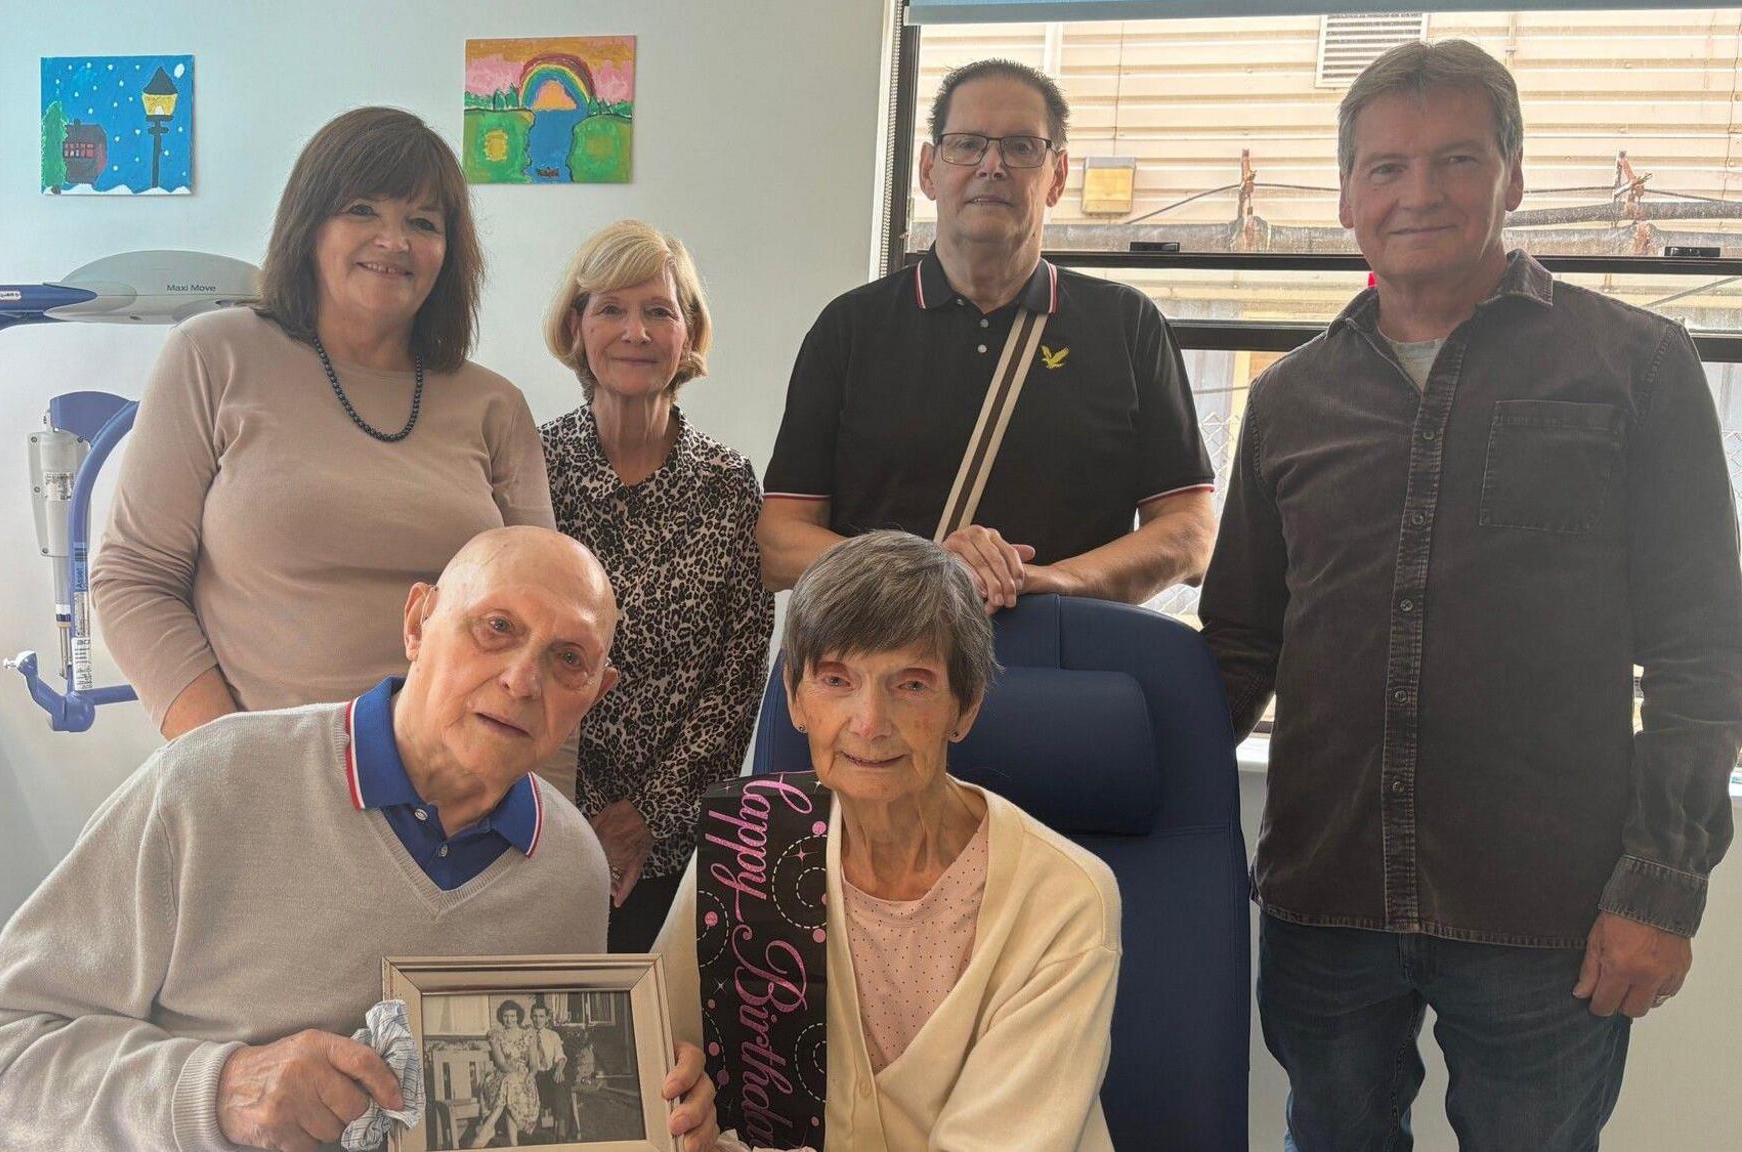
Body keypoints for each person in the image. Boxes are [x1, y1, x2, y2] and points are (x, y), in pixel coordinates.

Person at [1200, 40, 1742, 1151]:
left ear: (1513, 176)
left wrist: (1660, 885)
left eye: (1454, 159)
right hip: (1324, 897)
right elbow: (1236, 645)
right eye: (1384, 168)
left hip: (1547, 909)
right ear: (1347, 193)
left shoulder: (1633, 365)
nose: (1418, 193)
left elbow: (1701, 647)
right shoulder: (1292, 397)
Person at [0, 527, 719, 1152]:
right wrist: (218, 1090)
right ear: (417, 622)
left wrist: (648, 1110)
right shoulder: (215, 782)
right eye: (495, 628)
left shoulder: (569, 867)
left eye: (567, 658)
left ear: (597, 692)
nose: (520, 680)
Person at [91, 107, 558, 759]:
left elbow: (546, 618)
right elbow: (133, 578)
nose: (394, 241)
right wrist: (225, 756)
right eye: (362, 210)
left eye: (422, 222)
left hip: (454, 795)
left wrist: (544, 815)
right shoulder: (214, 355)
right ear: (309, 227)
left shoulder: (495, 406)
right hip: (260, 776)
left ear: (448, 253)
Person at [659, 531, 1121, 1151]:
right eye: (835, 680)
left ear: (967, 705)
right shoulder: (745, 844)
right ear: (795, 699)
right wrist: (683, 1113)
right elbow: (661, 1048)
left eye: (911, 684)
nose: (870, 723)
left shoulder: (1063, 898)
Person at [757, 58, 1215, 612]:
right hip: (883, 666)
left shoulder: (1128, 325)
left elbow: (1191, 533)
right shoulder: (850, 329)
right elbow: (780, 540)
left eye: (1021, 147)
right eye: (967, 144)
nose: (991, 165)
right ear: (929, 169)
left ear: (1058, 176)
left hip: (1069, 661)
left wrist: (1056, 580)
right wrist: (925, 573)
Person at [538, 220, 775, 949]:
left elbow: (740, 675)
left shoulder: (728, 484)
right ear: (577, 327)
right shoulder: (532, 468)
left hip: (680, 838)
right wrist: (578, 811)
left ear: (689, 331)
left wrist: (645, 816)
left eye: (659, 310)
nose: (634, 331)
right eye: (610, 308)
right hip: (540, 813)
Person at [474, 1000, 541, 1147]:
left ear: (518, 1017)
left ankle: (489, 1131)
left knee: (511, 1087)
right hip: (500, 1076)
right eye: (505, 1016)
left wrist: (530, 1075)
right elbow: (500, 1062)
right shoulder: (497, 1035)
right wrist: (515, 1074)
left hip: (524, 1078)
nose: (509, 1019)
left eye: (512, 1016)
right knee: (510, 1082)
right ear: (501, 1017)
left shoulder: (528, 1035)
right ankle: (504, 1137)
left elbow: (534, 1064)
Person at [528, 1003, 577, 1141]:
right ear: (531, 1017)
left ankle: (561, 1128)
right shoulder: (526, 1035)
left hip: (550, 1073)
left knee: (560, 1081)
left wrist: (559, 1070)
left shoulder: (553, 1035)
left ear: (547, 1018)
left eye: (541, 1016)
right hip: (534, 1075)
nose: (538, 1020)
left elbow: (560, 1057)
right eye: (535, 1016)